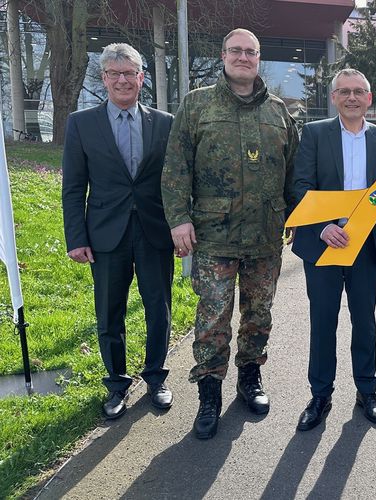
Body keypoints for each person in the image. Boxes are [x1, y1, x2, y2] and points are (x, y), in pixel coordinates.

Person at [162, 28, 300, 439]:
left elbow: (293, 174)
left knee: (259, 315)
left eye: (251, 52)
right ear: (222, 55)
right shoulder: (197, 104)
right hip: (212, 235)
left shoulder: (279, 111)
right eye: (236, 50)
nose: (243, 57)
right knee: (212, 318)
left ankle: (250, 378)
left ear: (259, 59)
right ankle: (208, 392)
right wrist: (178, 218)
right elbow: (175, 167)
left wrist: (295, 216)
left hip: (264, 236)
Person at [62, 43, 175, 420]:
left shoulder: (164, 123)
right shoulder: (82, 124)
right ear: (104, 78)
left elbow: (176, 182)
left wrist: (179, 227)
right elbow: (74, 187)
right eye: (115, 73)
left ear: (142, 78)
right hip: (105, 235)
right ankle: (116, 383)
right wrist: (76, 237)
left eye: (130, 73)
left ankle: (157, 378)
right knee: (109, 312)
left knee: (158, 307)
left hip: (154, 231)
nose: (123, 80)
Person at [291, 68, 376, 431]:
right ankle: (320, 395)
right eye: (344, 92)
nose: (352, 98)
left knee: (364, 321)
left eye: (359, 92)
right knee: (323, 321)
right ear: (333, 97)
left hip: (365, 245)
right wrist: (321, 228)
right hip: (323, 245)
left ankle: (367, 390)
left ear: (369, 98)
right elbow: (300, 187)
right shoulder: (315, 133)